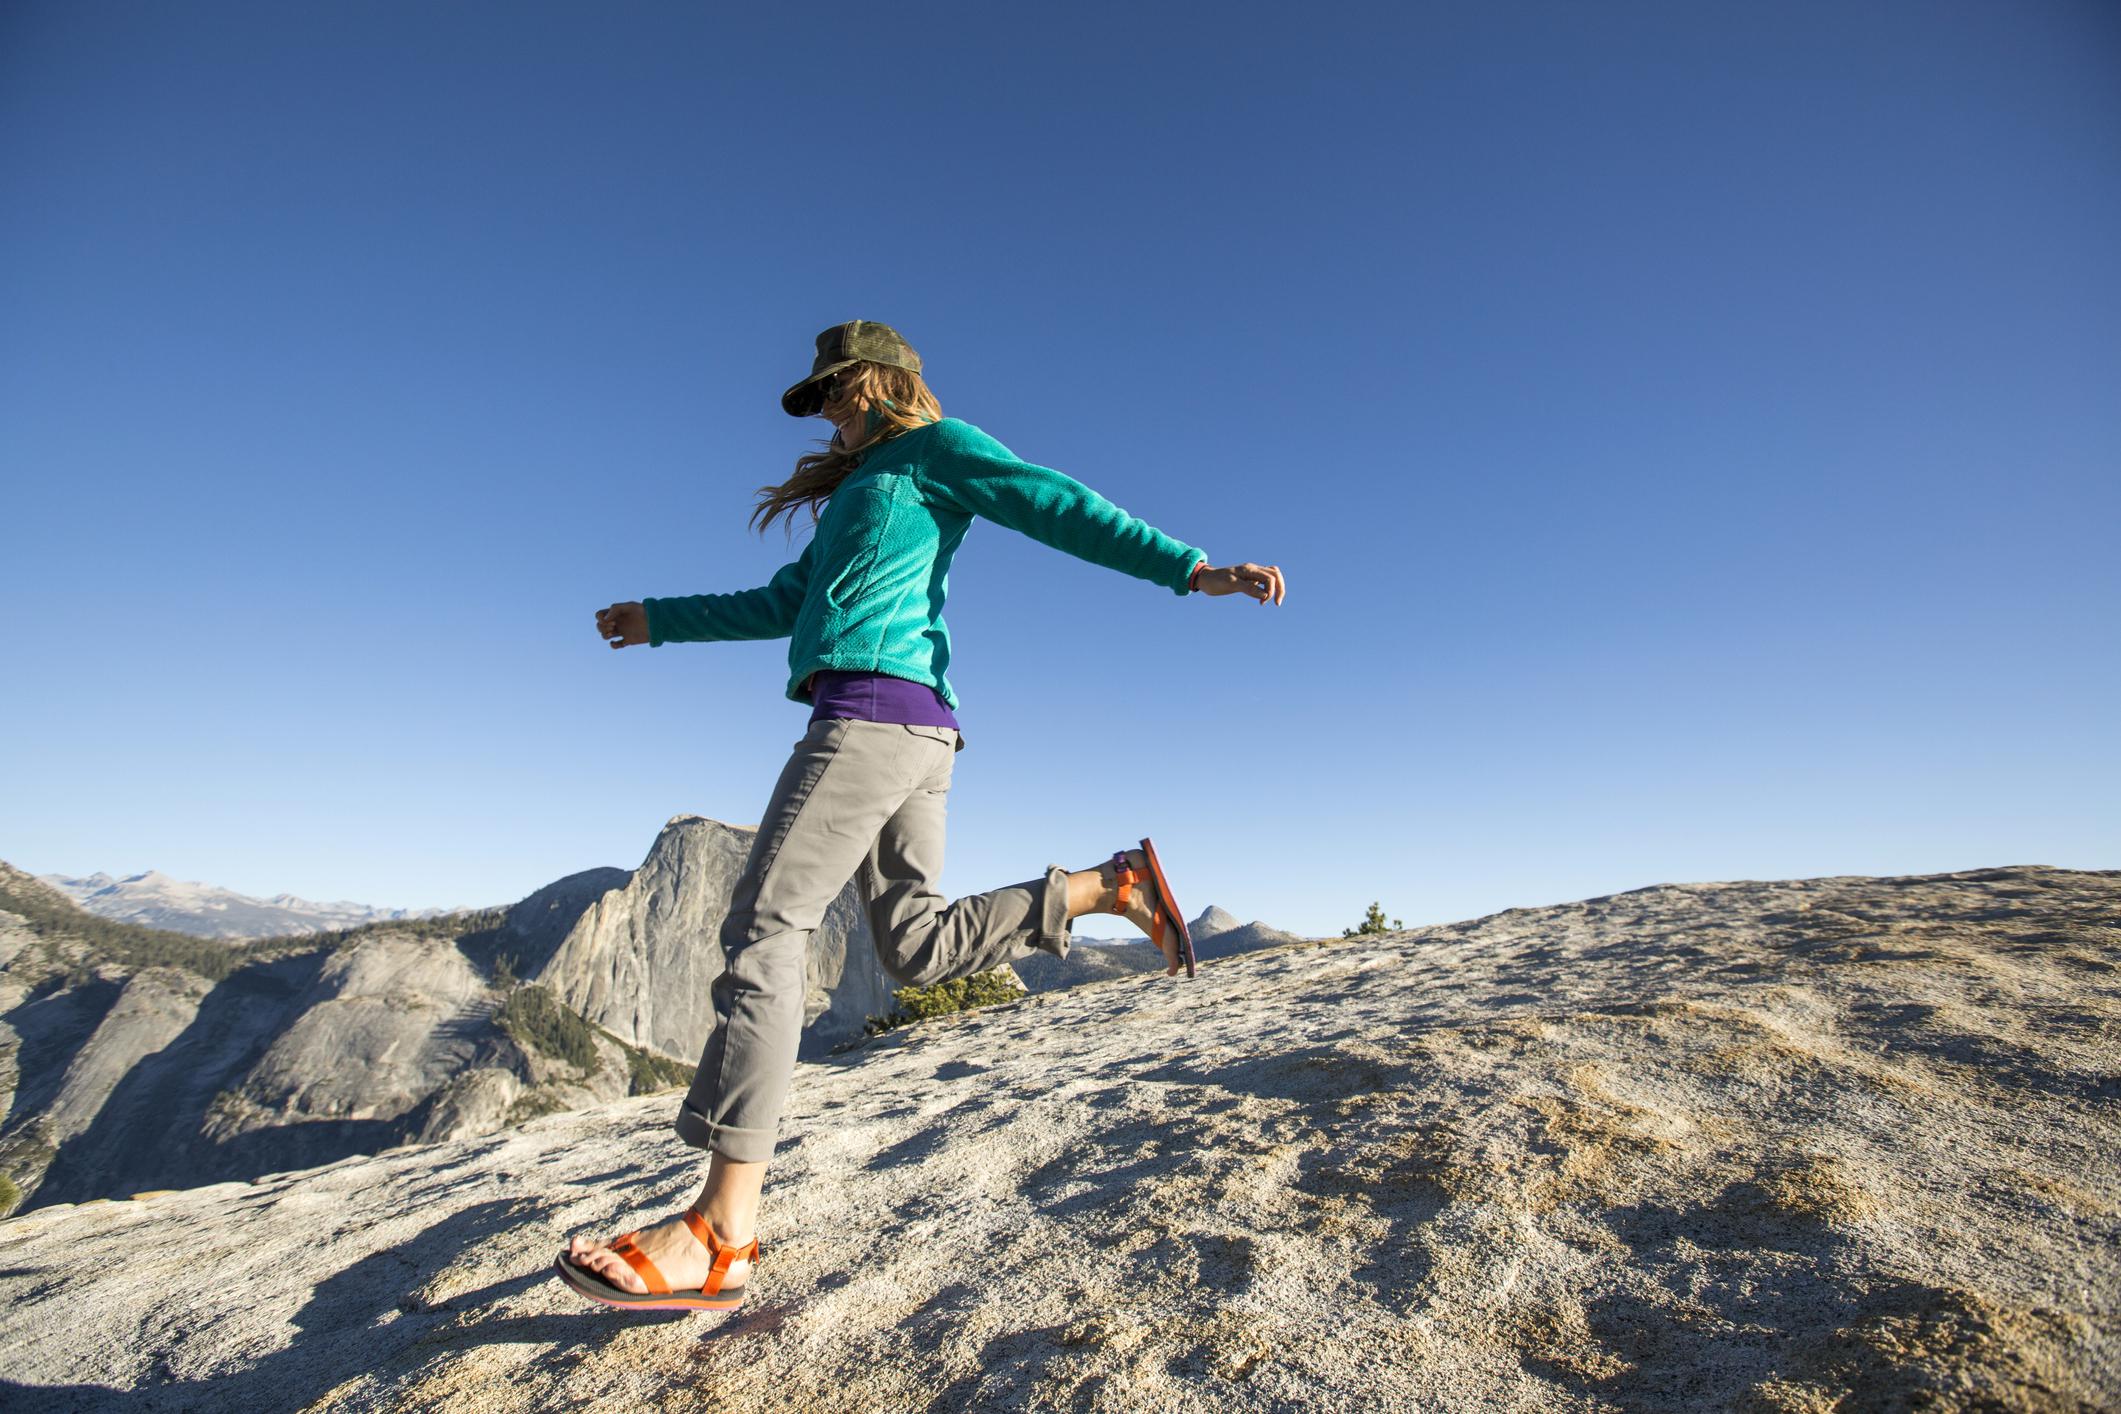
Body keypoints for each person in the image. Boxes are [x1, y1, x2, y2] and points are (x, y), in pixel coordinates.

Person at [555, 320, 1287, 1312]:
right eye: (818, 399)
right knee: (914, 943)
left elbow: (1051, 502)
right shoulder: (859, 492)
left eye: (840, 389)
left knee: (766, 929)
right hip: (917, 733)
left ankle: (721, 1228)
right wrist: (660, 621)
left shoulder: (936, 452)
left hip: (868, 717)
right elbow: (784, 602)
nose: (830, 410)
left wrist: (1189, 568)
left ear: (891, 381)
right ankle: (1107, 885)